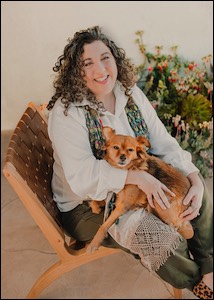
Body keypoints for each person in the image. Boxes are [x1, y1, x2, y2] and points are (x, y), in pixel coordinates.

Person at [47, 26, 213, 299]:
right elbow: (81, 176)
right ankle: (199, 283)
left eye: (105, 58)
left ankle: (210, 269)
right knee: (157, 236)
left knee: (197, 193)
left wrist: (193, 177)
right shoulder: (67, 112)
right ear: (76, 72)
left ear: (115, 60)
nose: (100, 69)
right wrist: (137, 178)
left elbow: (163, 142)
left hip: (135, 188)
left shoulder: (130, 94)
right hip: (86, 205)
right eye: (87, 63)